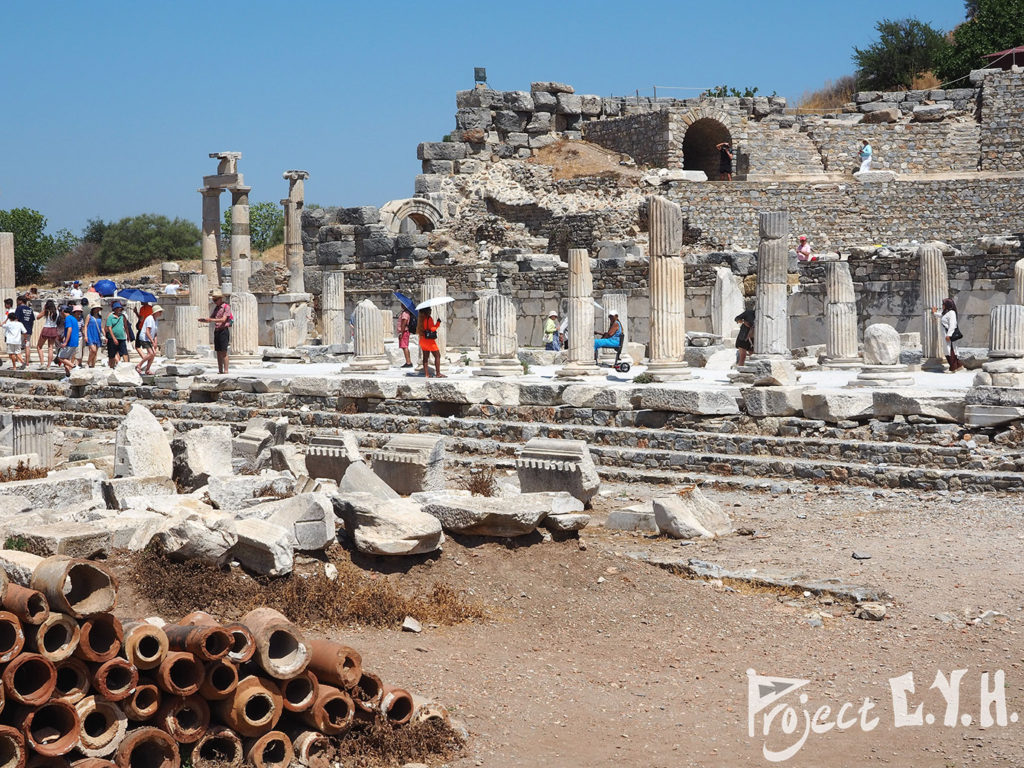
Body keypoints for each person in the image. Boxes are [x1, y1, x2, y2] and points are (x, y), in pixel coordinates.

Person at [200, 290, 233, 374]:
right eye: (213, 300)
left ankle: (226, 370)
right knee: (218, 351)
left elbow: (223, 319)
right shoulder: (216, 308)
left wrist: (211, 319)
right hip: (217, 330)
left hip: (223, 331)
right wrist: (204, 320)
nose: (214, 302)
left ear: (220, 299)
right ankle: (220, 370)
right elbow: (211, 318)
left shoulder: (226, 307)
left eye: (215, 300)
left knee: (224, 351)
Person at [932, 298, 962, 372]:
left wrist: (949, 335)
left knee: (951, 351)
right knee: (947, 350)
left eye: (943, 304)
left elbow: (953, 325)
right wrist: (934, 313)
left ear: (947, 305)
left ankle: (953, 368)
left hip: (949, 335)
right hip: (945, 335)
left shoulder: (952, 313)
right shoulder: (946, 313)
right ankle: (958, 366)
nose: (942, 306)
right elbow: (941, 316)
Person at [136, 304, 162, 375]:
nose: (161, 313)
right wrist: (152, 341)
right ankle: (139, 365)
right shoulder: (150, 318)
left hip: (149, 338)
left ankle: (147, 370)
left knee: (153, 354)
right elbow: (147, 331)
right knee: (151, 353)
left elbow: (155, 333)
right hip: (144, 338)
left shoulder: (156, 320)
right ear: (156, 312)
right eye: (160, 311)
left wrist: (155, 342)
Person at [418, 307, 442, 378]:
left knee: (425, 357)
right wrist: (438, 323)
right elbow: (432, 329)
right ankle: (438, 373)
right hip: (429, 341)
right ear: (427, 311)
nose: (431, 311)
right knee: (437, 356)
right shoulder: (429, 318)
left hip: (422, 340)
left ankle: (426, 374)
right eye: (429, 310)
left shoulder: (420, 319)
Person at [57, 305, 81, 375]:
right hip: (75, 341)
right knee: (66, 359)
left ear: (62, 311)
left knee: (60, 358)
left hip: (70, 342)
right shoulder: (73, 318)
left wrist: (65, 342)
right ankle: (67, 374)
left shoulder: (68, 319)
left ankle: (74, 367)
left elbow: (69, 329)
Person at [105, 301, 130, 368]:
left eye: (120, 308)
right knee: (112, 354)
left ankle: (127, 367)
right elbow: (109, 328)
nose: (119, 310)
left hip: (122, 337)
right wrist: (114, 338)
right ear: (115, 309)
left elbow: (126, 326)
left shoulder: (123, 316)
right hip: (112, 338)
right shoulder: (110, 317)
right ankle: (111, 368)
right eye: (118, 308)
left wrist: (128, 335)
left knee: (124, 352)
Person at [36, 300, 60, 369]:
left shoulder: (46, 311)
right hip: (54, 329)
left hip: (46, 328)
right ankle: (49, 366)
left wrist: (44, 309)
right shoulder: (57, 312)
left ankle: (42, 363)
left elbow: (38, 317)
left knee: (39, 347)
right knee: (50, 348)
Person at [12, 295, 34, 367]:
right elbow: (32, 320)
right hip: (28, 330)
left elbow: (16, 319)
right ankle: (27, 362)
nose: (17, 302)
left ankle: (20, 362)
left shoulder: (19, 308)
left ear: (20, 301)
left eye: (17, 301)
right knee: (27, 346)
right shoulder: (30, 309)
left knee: (18, 347)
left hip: (20, 331)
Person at [85, 303, 103, 368]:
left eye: (99, 308)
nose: (98, 309)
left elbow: (102, 327)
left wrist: (104, 335)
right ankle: (87, 363)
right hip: (90, 334)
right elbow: (86, 326)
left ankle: (93, 365)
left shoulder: (100, 317)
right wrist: (86, 335)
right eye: (96, 308)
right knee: (93, 350)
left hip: (97, 334)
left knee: (95, 352)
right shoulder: (89, 316)